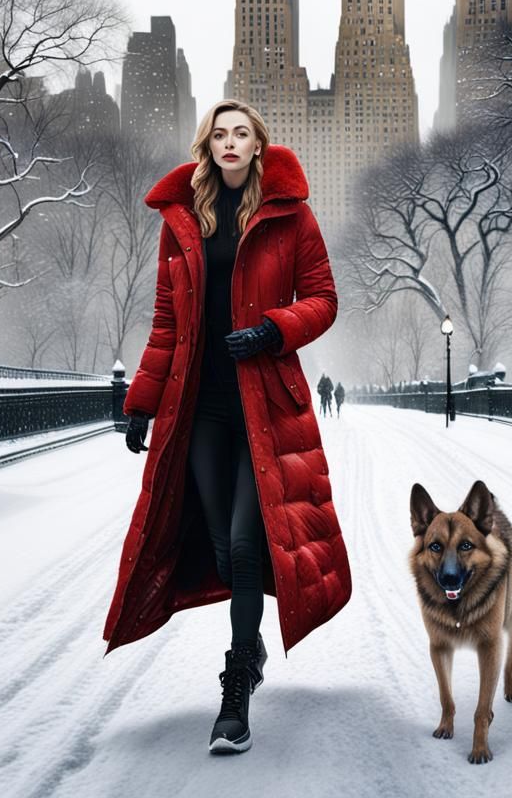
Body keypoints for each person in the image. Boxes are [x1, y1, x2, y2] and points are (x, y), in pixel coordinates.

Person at [103, 99, 353, 755]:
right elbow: (166, 322)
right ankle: (253, 643)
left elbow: (324, 299)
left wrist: (273, 330)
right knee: (219, 546)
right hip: (199, 407)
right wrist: (142, 401)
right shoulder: (183, 220)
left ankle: (236, 686)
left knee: (244, 545)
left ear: (258, 144)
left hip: (264, 405)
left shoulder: (290, 215)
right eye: (221, 134)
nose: (231, 143)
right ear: (208, 145)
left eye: (242, 133)